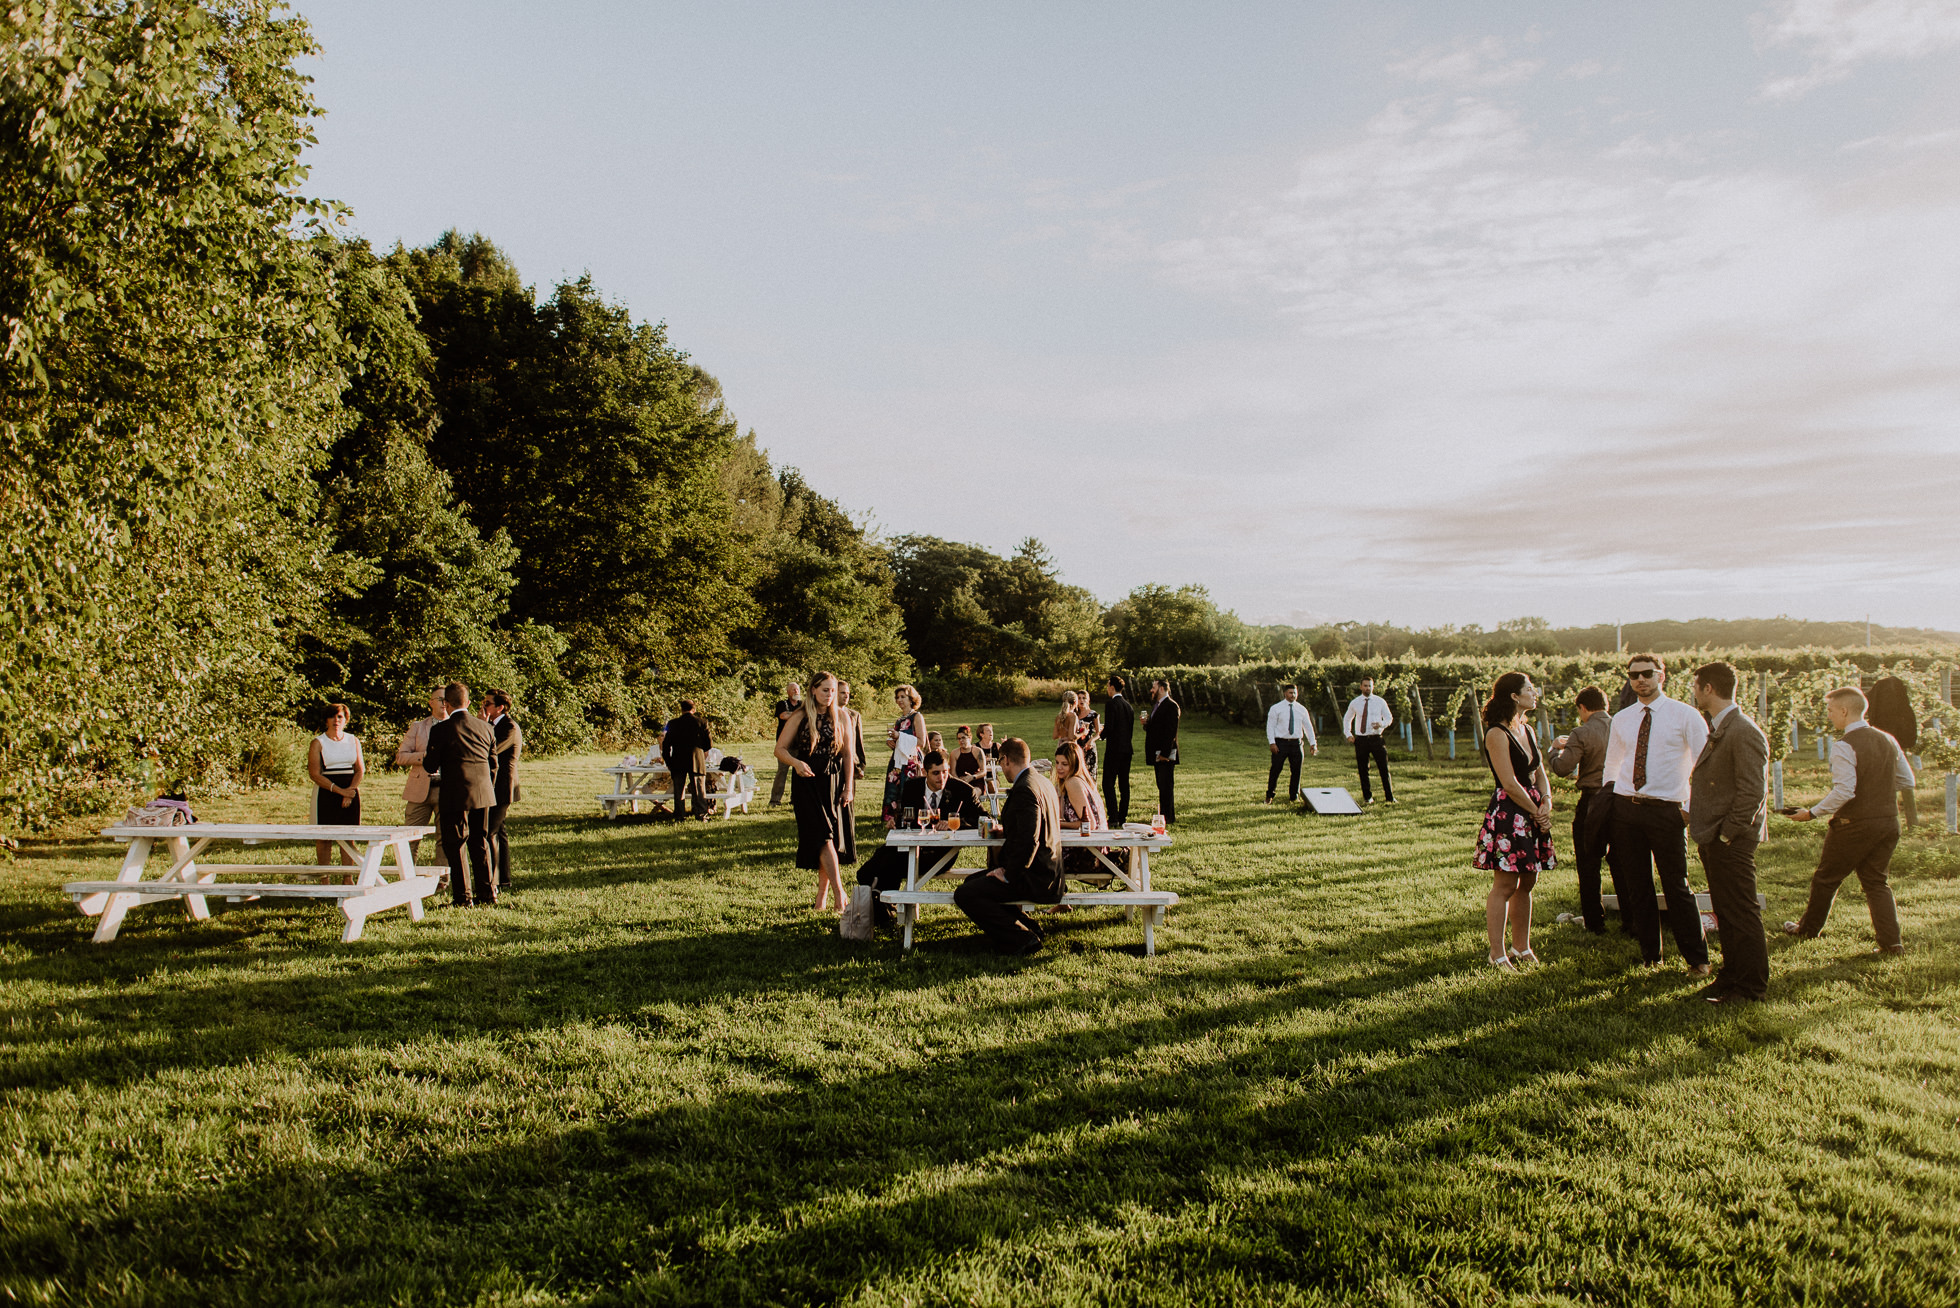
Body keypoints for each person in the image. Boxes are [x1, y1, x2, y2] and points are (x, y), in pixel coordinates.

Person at [1782, 686, 1915, 954]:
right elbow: (1906, 780)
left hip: (1854, 825)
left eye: (1830, 711)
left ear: (1844, 711)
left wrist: (1812, 813)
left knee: (1826, 878)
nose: (1829, 716)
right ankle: (1892, 943)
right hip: (1889, 821)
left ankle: (1807, 930)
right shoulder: (1888, 739)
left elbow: (1845, 791)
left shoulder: (1844, 745)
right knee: (1876, 882)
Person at [1601, 654, 1711, 974]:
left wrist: (1689, 809)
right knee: (1638, 886)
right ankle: (1651, 955)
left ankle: (1697, 959)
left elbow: (1704, 765)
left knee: (1676, 886)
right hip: (1626, 809)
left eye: (1647, 673)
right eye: (1633, 675)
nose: (1640, 680)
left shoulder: (1686, 716)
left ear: (1661, 676)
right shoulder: (1622, 718)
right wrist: (1611, 802)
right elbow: (1613, 763)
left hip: (1668, 812)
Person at [1687, 662, 1770, 1004]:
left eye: (1695, 685)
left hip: (1730, 838)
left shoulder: (1743, 730)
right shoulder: (1724, 726)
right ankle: (1732, 975)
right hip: (1714, 835)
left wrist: (1727, 834)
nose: (1693, 692)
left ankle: (1751, 988)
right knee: (1726, 909)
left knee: (1741, 911)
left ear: (1708, 688)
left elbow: (1753, 792)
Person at [953, 737, 1065, 954]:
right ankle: (1030, 927)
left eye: (1000, 763)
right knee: (971, 881)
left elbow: (1029, 840)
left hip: (1035, 876)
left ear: (1004, 760)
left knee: (965, 894)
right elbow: (1033, 827)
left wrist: (1008, 874)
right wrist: (1006, 830)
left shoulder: (1024, 789)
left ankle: (1021, 939)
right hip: (1048, 871)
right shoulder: (1042, 781)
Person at [1476, 673, 1554, 971]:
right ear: (1513, 696)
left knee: (1528, 881)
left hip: (1534, 809)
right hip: (1511, 812)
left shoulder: (1528, 730)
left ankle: (1521, 946)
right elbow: (1509, 782)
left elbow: (1540, 774)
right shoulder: (1497, 733)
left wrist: (1546, 802)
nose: (1535, 693)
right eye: (1529, 689)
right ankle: (1497, 953)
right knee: (1505, 883)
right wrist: (1536, 811)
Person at [777, 671, 855, 913]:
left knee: (828, 838)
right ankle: (839, 893)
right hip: (806, 782)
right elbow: (780, 749)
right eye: (825, 690)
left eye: (833, 690)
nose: (830, 695)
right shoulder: (800, 716)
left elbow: (848, 755)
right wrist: (797, 763)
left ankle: (821, 897)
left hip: (832, 782)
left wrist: (848, 787)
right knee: (823, 837)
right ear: (812, 690)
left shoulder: (842, 716)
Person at [423, 681, 497, 906]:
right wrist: (487, 786)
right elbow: (494, 765)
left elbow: (430, 765)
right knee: (480, 841)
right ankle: (487, 893)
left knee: (455, 844)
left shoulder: (440, 729)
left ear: (446, 704)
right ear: (468, 702)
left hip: (454, 793)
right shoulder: (486, 727)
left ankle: (463, 897)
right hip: (483, 792)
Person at [1550, 686, 1614, 933]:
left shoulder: (1582, 732)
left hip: (1593, 800)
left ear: (1582, 708)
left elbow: (1563, 768)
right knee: (1621, 861)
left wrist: (1554, 750)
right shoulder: (1622, 727)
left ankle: (1594, 921)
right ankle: (1631, 919)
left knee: (1588, 862)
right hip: (1620, 798)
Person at [308, 703, 365, 876]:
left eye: (339, 716)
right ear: (326, 719)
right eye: (332, 716)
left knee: (348, 837)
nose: (336, 720)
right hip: (327, 792)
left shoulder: (353, 740)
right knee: (324, 839)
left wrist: (350, 791)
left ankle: (347, 878)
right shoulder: (318, 742)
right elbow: (314, 774)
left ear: (346, 719)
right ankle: (324, 879)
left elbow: (360, 769)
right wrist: (341, 792)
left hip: (350, 790)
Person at [394, 687, 447, 862]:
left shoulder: (457, 726)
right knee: (409, 837)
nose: (444, 703)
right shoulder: (418, 727)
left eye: (447, 699)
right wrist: (424, 757)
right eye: (439, 699)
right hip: (419, 790)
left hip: (446, 789)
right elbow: (401, 757)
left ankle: (442, 881)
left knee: (444, 838)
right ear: (431, 702)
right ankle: (407, 877)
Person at [1865, 675, 1920, 827]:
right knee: (1903, 781)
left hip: (1884, 740)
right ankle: (1910, 821)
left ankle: (1895, 820)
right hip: (1895, 740)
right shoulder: (1900, 701)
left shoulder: (1878, 696)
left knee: (1890, 780)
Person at [484, 689, 523, 891]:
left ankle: (494, 880)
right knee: (499, 832)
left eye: (487, 704)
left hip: (502, 786)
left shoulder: (509, 727)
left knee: (490, 831)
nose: (483, 707)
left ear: (500, 707)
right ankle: (503, 878)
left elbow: (490, 751)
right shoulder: (492, 725)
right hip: (492, 785)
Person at [1053, 741, 1107, 882]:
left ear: (1075, 764)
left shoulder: (1073, 783)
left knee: (1035, 859)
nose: (1059, 768)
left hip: (1089, 854)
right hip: (1097, 847)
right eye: (1057, 762)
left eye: (1064, 764)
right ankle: (1062, 902)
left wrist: (1057, 825)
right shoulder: (1083, 781)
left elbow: (1089, 824)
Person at [1343, 678, 1395, 804]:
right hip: (1361, 740)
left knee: (1383, 768)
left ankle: (1389, 797)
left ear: (1373, 687)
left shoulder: (1380, 701)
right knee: (1363, 769)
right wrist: (1348, 734)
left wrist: (1381, 724)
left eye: (1370, 686)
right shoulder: (1355, 703)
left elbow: (1389, 718)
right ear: (1361, 687)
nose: (1368, 688)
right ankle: (1368, 797)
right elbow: (1347, 719)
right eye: (1365, 686)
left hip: (1376, 738)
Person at [882, 684, 928, 826]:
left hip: (911, 760)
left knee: (909, 788)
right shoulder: (899, 720)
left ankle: (912, 819)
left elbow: (921, 741)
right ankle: (894, 819)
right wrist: (892, 742)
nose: (899, 700)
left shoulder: (917, 716)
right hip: (897, 760)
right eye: (897, 697)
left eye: (903, 697)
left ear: (911, 698)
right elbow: (899, 740)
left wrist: (900, 736)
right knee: (894, 788)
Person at [1264, 684, 1318, 805]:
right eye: (1290, 693)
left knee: (1296, 771)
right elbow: (1270, 727)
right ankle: (1269, 795)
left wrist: (1313, 743)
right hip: (1281, 743)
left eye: (1294, 693)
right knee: (1276, 769)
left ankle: (1294, 796)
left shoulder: (1301, 709)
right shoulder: (1276, 708)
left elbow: (1308, 727)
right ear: (1285, 693)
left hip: (1296, 743)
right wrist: (1272, 743)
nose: (1292, 695)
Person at [662, 699, 712, 821]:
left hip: (678, 759)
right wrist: (701, 749)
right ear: (693, 709)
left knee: (679, 790)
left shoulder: (673, 724)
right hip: (696, 759)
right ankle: (701, 814)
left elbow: (666, 745)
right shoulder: (702, 722)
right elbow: (709, 744)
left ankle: (679, 815)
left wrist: (668, 761)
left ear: (681, 709)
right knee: (698, 789)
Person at [1143, 678, 1180, 825]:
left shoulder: (1171, 706)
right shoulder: (1157, 705)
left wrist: (1165, 754)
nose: (1151, 690)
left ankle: (1168, 817)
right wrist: (1146, 724)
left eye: (1154, 687)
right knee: (1161, 784)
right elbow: (1156, 728)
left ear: (1162, 689)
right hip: (1157, 753)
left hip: (1165, 753)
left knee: (1166, 786)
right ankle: (1164, 815)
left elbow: (1171, 732)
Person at [837, 680, 866, 866]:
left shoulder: (854, 715)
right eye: (842, 692)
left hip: (850, 764)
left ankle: (849, 847)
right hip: (833, 765)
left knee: (849, 807)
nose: (845, 696)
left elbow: (858, 743)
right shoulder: (827, 714)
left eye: (847, 693)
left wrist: (861, 764)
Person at [1101, 675, 1135, 825]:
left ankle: (1113, 817)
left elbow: (1110, 727)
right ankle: (1123, 816)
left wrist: (1100, 734)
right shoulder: (1129, 706)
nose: (1107, 689)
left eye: (1108, 686)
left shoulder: (1111, 705)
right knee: (1124, 784)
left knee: (1108, 783)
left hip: (1114, 749)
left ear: (1112, 687)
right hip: (1127, 749)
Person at [769, 681, 803, 806]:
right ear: (788, 692)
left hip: (799, 744)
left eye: (798, 689)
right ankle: (775, 800)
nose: (796, 692)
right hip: (785, 746)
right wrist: (799, 714)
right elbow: (783, 715)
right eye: (793, 689)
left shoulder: (802, 704)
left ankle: (796, 799)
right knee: (782, 772)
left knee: (798, 773)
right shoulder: (782, 704)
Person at [1075, 692, 1100, 777]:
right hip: (1076, 746)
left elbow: (1098, 733)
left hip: (1088, 746)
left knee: (1090, 774)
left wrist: (1091, 740)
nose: (1081, 700)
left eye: (1084, 698)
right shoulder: (1074, 715)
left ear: (1088, 700)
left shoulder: (1093, 714)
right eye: (1079, 698)